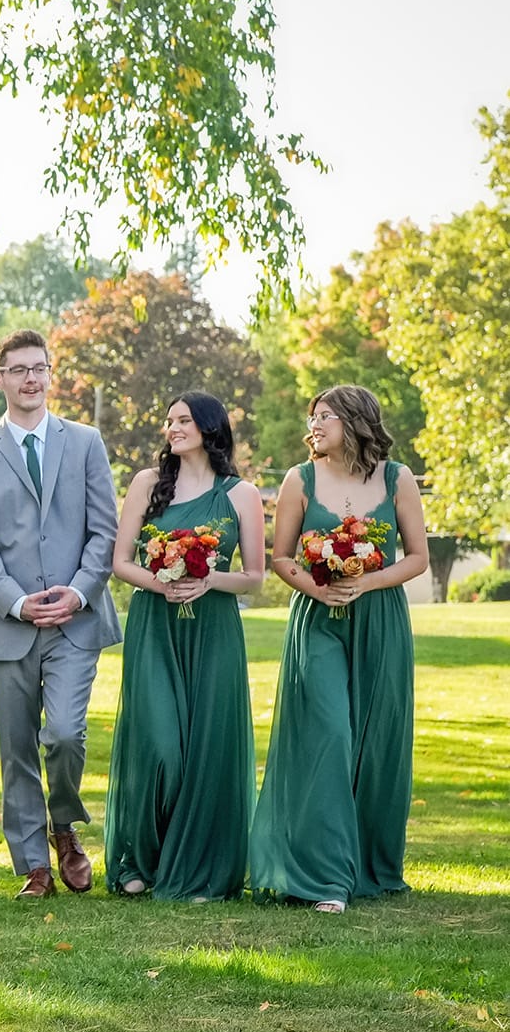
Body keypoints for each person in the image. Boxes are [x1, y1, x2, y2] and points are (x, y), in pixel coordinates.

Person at [0, 329, 122, 899]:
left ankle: (64, 827)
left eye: (40, 368)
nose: (32, 378)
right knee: (16, 748)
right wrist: (18, 602)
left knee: (66, 735)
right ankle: (34, 866)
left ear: (51, 375)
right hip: (9, 623)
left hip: (77, 618)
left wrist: (78, 591)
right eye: (20, 369)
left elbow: (105, 529)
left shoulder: (85, 442)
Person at [251, 385, 428, 912]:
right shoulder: (298, 480)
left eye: (324, 415)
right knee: (327, 735)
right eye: (313, 416)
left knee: (374, 744)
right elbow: (281, 557)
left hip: (380, 620)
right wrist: (317, 587)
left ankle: (369, 865)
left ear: (354, 421)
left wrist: (367, 582)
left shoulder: (397, 479)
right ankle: (324, 878)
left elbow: (416, 557)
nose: (315, 424)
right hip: (318, 620)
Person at [104, 393, 263, 901]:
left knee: (207, 751)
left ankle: (200, 866)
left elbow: (254, 578)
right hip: (156, 626)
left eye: (183, 420)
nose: (172, 428)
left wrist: (210, 579)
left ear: (210, 428)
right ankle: (138, 858)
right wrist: (163, 584)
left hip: (213, 633)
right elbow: (121, 562)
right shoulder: (147, 485)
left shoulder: (241, 495)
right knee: (157, 746)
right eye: (168, 420)